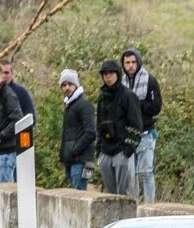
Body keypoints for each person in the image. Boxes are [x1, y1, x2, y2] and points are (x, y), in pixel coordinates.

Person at [120, 48, 163, 204]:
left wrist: (137, 105)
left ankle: (150, 205)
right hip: (128, 135)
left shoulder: (150, 80)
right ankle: (135, 205)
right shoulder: (121, 83)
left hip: (146, 133)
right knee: (131, 174)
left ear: (138, 62)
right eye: (127, 62)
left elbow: (156, 106)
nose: (130, 65)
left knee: (146, 172)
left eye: (133, 62)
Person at [95, 59, 142, 197]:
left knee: (126, 196)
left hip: (122, 152)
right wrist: (99, 150)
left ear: (118, 74)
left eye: (111, 73)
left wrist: (128, 150)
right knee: (110, 197)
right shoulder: (102, 98)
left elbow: (137, 127)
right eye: (105, 74)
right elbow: (99, 124)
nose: (108, 76)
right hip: (105, 152)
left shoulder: (128, 96)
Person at [58, 69, 95, 190]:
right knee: (74, 195)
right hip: (72, 161)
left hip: (81, 162)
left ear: (76, 85)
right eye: (64, 85)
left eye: (70, 84)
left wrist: (75, 151)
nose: (67, 87)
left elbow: (91, 133)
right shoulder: (69, 106)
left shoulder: (84, 105)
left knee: (79, 195)